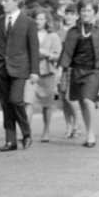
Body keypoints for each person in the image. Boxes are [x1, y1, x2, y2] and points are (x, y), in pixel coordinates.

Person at [0, 0, 39, 151]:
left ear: (16, 2)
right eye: (2, 1)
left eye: (6, 1)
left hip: (20, 68)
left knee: (16, 100)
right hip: (0, 68)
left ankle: (26, 133)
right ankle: (11, 141)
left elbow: (34, 48)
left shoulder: (28, 22)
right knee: (6, 104)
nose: (2, 4)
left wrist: (34, 71)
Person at [57, 0, 99, 148]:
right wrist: (61, 70)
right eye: (83, 10)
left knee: (87, 100)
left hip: (95, 70)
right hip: (77, 70)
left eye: (89, 10)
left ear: (95, 12)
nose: (86, 13)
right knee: (81, 102)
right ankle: (88, 131)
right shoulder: (74, 30)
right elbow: (67, 52)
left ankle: (90, 133)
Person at [24, 8, 62, 142]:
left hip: (47, 72)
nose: (38, 21)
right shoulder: (28, 34)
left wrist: (46, 54)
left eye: (41, 19)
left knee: (47, 103)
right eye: (36, 18)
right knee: (28, 102)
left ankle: (46, 130)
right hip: (31, 72)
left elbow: (58, 56)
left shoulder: (53, 36)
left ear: (47, 21)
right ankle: (27, 132)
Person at [56, 4, 82, 138]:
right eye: (67, 13)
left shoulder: (78, 31)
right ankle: (68, 126)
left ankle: (76, 125)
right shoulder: (59, 32)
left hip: (73, 68)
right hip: (60, 68)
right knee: (63, 100)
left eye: (72, 14)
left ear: (77, 16)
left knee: (71, 98)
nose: (69, 16)